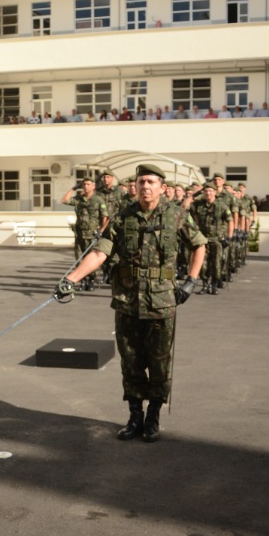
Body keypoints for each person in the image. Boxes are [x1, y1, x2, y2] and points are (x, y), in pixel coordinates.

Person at [54, 164, 206, 442]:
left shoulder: (177, 215)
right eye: (141, 181)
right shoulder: (122, 218)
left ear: (161, 186)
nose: (145, 186)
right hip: (127, 301)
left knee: (159, 364)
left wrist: (191, 282)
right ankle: (135, 416)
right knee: (131, 363)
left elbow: (199, 245)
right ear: (134, 186)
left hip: (162, 302)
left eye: (150, 181)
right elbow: (100, 253)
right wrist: (71, 279)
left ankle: (153, 417)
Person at [60, 178, 109, 291]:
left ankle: (92, 280)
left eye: (88, 184)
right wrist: (73, 188)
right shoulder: (78, 199)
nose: (86, 186)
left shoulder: (98, 200)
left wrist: (101, 231)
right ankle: (83, 280)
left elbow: (105, 217)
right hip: (80, 234)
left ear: (93, 186)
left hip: (92, 235)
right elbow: (64, 200)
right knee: (79, 258)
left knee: (91, 259)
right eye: (84, 184)